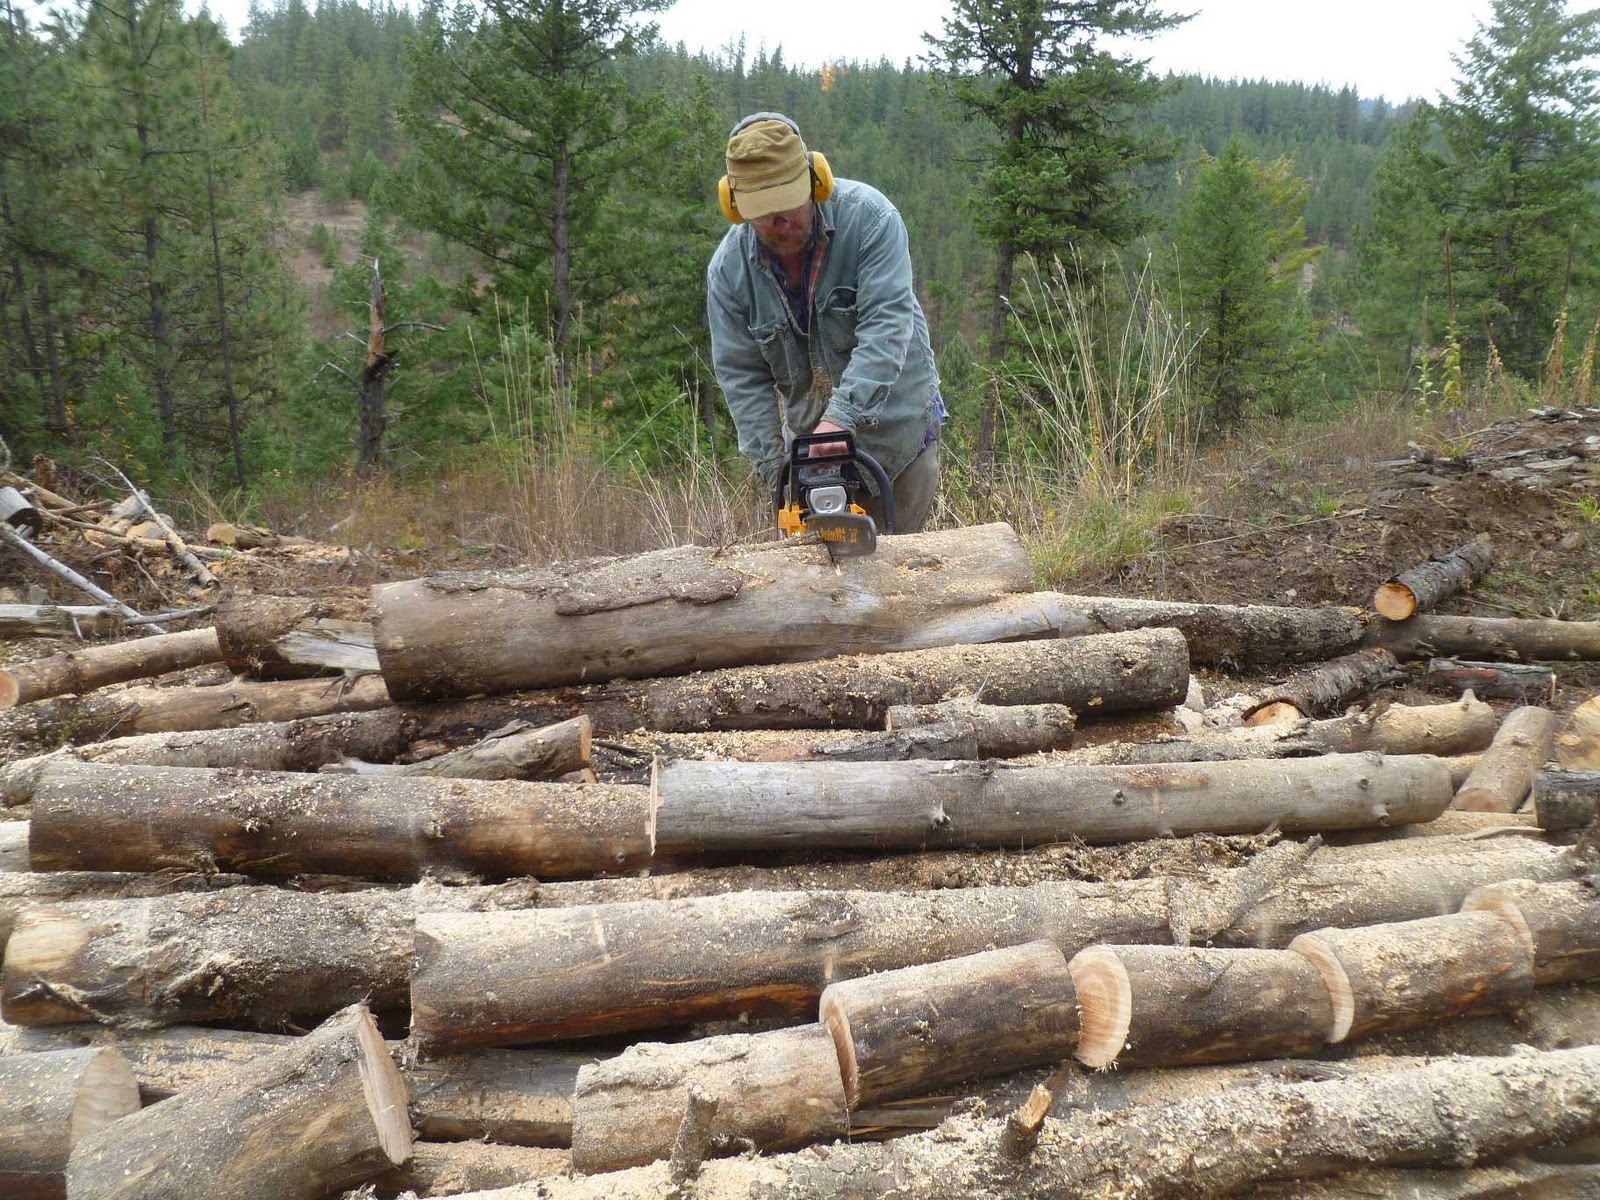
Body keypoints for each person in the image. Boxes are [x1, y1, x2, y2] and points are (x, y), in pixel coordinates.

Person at [706, 112, 944, 535]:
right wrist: (776, 470)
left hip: (896, 435)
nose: (781, 224)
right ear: (735, 206)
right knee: (818, 584)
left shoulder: (872, 220)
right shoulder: (728, 273)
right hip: (807, 448)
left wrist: (843, 418)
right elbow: (741, 377)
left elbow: (886, 328)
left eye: (789, 207)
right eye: (766, 214)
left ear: (817, 181)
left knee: (899, 576)